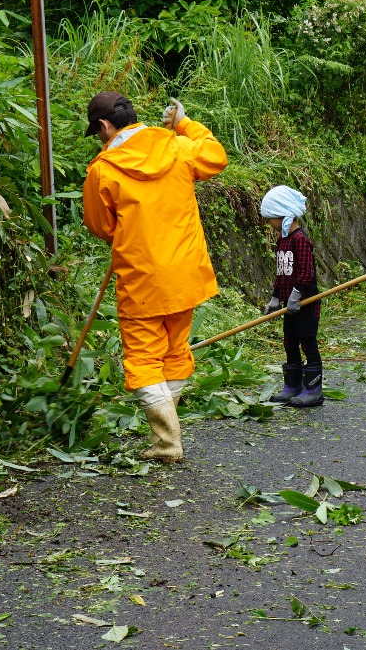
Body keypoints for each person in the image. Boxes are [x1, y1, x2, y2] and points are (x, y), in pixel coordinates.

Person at [82, 92, 228, 462]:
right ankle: (169, 437)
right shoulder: (179, 147)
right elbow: (216, 156)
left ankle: (166, 443)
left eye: (97, 131)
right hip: (186, 275)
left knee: (144, 359)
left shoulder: (103, 169)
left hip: (142, 280)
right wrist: (184, 122)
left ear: (104, 125)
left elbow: (100, 227)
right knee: (175, 351)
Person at [261, 186, 324, 408]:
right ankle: (293, 387)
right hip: (288, 305)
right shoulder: (283, 240)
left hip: (305, 304)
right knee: (289, 343)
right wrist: (276, 298)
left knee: (307, 342)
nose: (270, 223)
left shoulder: (300, 240)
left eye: (272, 219)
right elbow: (281, 273)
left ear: (284, 214)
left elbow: (306, 273)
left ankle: (314, 390)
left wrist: (296, 296)